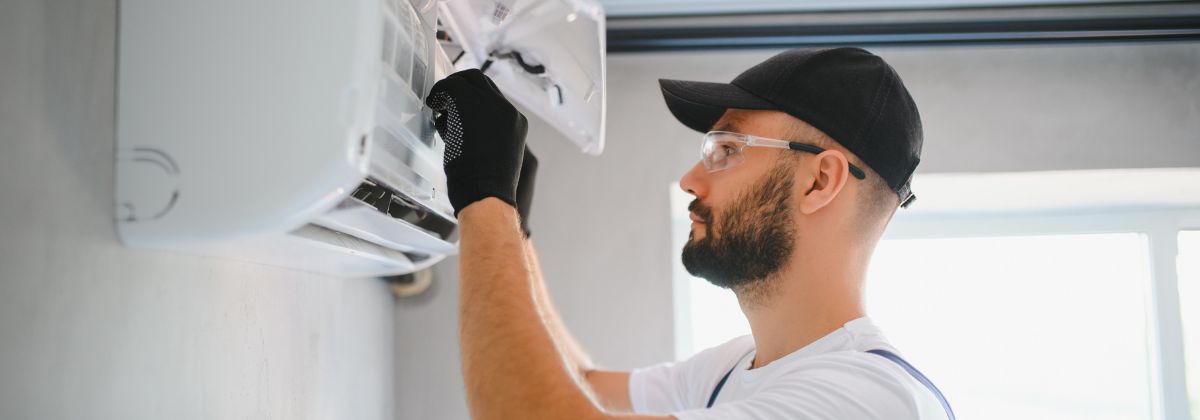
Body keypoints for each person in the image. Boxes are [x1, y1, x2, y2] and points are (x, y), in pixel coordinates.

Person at [424, 46, 953, 420]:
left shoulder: (871, 402)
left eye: (728, 150)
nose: (690, 179)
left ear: (818, 181)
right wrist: (517, 227)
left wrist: (485, 198)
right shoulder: (736, 368)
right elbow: (586, 387)